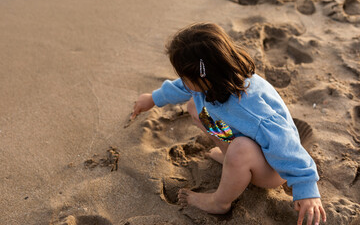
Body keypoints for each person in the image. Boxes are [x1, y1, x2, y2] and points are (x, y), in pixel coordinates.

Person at [131, 22, 326, 225]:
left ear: (202, 76)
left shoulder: (251, 107)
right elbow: (184, 87)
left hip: (272, 167)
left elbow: (284, 143)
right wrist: (154, 98)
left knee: (241, 148)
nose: (183, 80)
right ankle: (231, 159)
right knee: (195, 108)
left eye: (184, 76)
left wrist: (305, 187)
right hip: (244, 142)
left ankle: (220, 201)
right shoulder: (211, 81)